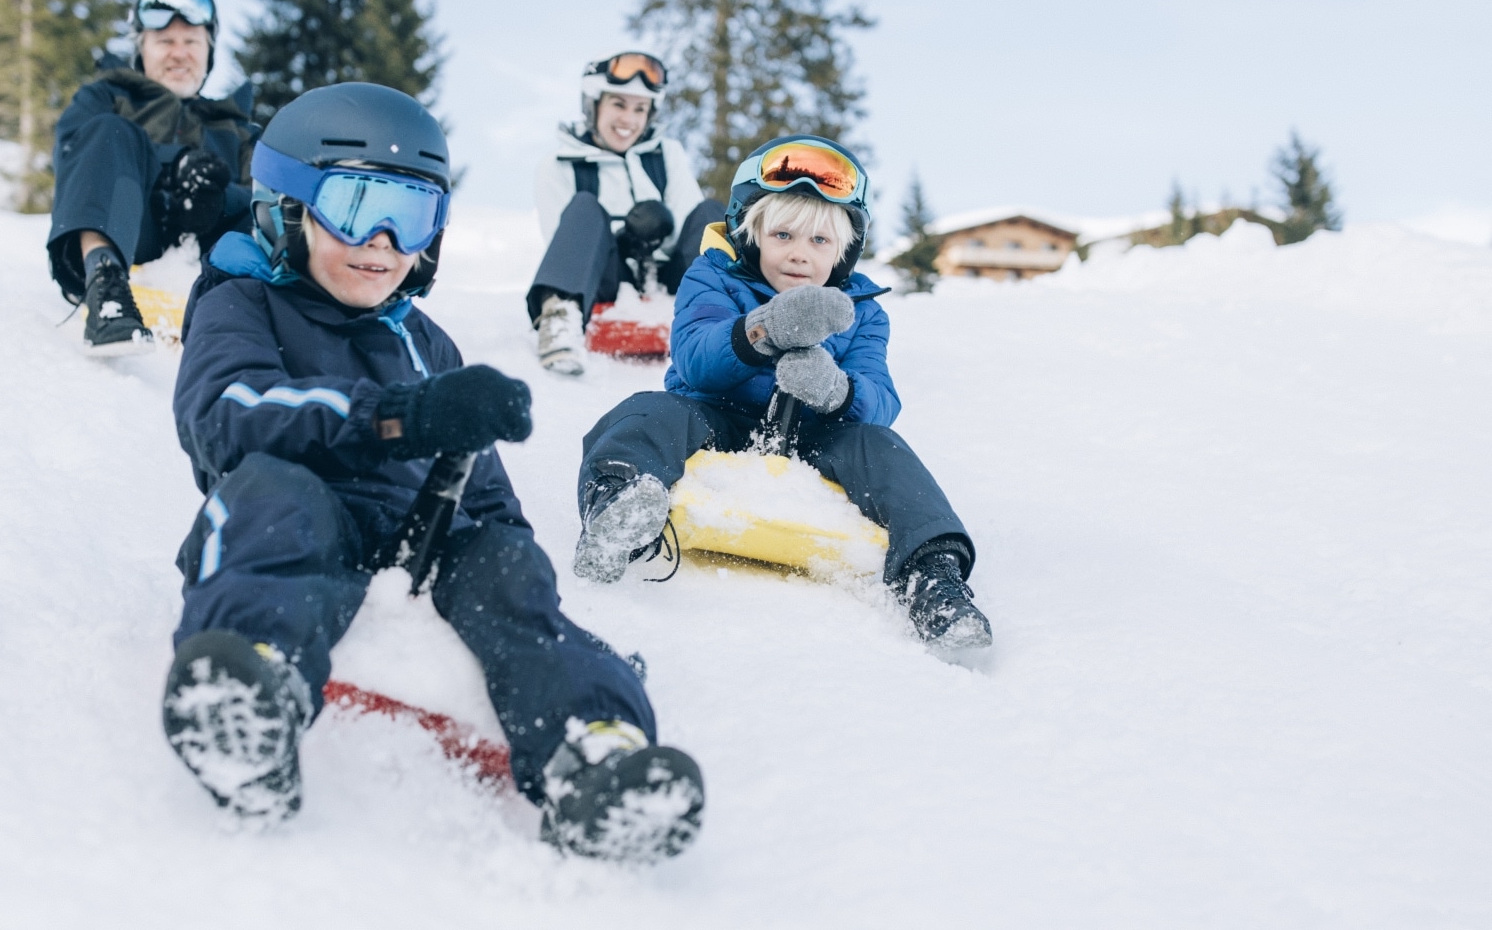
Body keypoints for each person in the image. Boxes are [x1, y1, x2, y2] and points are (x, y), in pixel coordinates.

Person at [162, 81, 705, 860]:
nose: (381, 240)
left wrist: (493, 517)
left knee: (511, 568)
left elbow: (488, 500)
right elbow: (226, 413)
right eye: (353, 206)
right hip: (294, 515)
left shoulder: (428, 338)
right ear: (286, 204)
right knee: (276, 498)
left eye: (409, 216)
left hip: (425, 537)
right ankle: (249, 696)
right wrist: (397, 417)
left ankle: (595, 752)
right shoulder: (241, 303)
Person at [570, 136, 994, 656]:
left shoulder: (863, 311)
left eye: (820, 241)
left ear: (844, 252)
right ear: (752, 235)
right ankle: (615, 506)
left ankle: (935, 578)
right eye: (784, 234)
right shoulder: (714, 276)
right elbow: (694, 355)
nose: (799, 253)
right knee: (645, 413)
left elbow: (881, 397)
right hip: (716, 415)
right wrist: (760, 331)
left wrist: (837, 393)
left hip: (816, 435)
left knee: (882, 449)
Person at [48, 0, 258, 353]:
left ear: (209, 51)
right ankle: (107, 292)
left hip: (210, 256)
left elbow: (261, 203)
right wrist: (174, 168)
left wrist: (216, 196)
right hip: (131, 231)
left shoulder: (237, 129)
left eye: (191, 41)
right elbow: (74, 155)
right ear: (142, 49)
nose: (179, 54)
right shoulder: (107, 97)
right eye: (165, 42)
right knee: (107, 132)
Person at [527, 52, 722, 377]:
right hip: (606, 277)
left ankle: (726, 318)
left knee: (710, 213)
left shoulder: (665, 155)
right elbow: (563, 241)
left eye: (640, 109)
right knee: (585, 206)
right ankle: (560, 315)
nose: (629, 120)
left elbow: (689, 224)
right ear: (594, 105)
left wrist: (650, 231)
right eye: (619, 104)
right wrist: (625, 240)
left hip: (672, 278)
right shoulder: (559, 165)